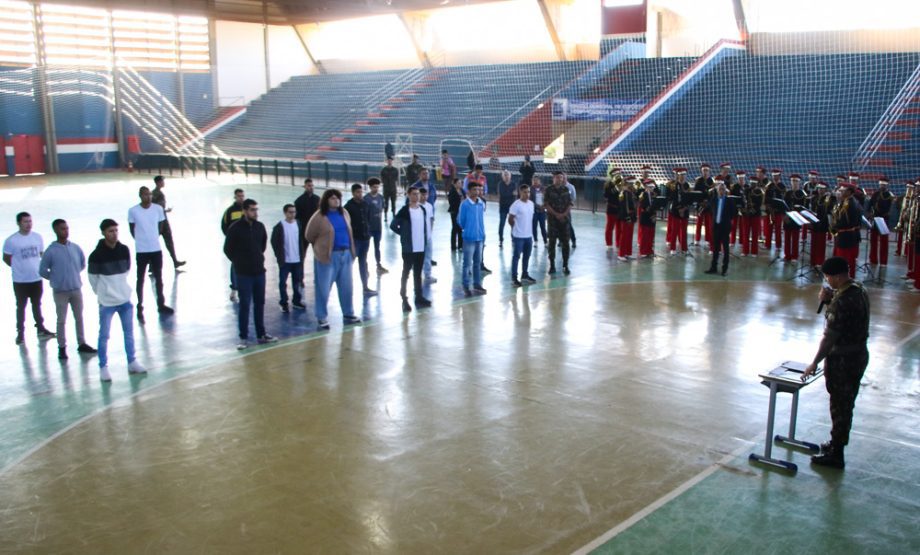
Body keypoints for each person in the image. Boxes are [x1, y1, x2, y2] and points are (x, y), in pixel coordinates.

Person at [802, 256, 870, 469]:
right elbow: (851, 317)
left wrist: (814, 362)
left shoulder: (841, 301)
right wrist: (831, 299)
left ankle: (837, 453)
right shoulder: (858, 289)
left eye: (829, 277)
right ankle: (835, 443)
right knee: (845, 403)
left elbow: (830, 336)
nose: (827, 281)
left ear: (838, 276)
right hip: (858, 354)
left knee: (840, 405)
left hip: (843, 359)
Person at [87, 219, 145, 382]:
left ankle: (132, 362)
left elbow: (126, 270)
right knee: (104, 335)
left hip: (124, 300)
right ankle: (103, 367)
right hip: (107, 303)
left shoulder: (124, 250)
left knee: (129, 333)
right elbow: (92, 279)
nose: (114, 234)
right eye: (110, 231)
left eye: (116, 231)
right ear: (103, 233)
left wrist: (121, 290)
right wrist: (103, 294)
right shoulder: (96, 255)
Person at [39, 219, 97, 360]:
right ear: (55, 231)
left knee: (79, 317)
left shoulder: (75, 248)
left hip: (76, 288)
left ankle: (82, 342)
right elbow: (42, 270)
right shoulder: (51, 251)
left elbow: (82, 264)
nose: (65, 231)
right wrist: (55, 280)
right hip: (60, 292)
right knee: (61, 320)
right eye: (62, 229)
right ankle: (62, 347)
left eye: (66, 228)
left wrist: (73, 275)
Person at [304, 189, 362, 330]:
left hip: (346, 255)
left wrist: (351, 252)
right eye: (333, 198)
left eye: (338, 198)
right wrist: (321, 248)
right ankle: (321, 316)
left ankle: (348, 313)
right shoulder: (319, 217)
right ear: (326, 200)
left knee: (347, 287)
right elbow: (309, 235)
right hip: (328, 257)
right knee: (323, 288)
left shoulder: (344, 213)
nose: (336, 201)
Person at [223, 199, 277, 349]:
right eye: (252, 210)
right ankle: (244, 337)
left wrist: (257, 258)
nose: (255, 213)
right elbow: (228, 249)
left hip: (259, 272)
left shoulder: (260, 227)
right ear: (245, 211)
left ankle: (261, 334)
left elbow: (263, 244)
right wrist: (239, 262)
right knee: (245, 305)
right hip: (244, 274)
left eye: (256, 209)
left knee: (260, 303)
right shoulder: (235, 228)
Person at [4, 212, 55, 345]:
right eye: (25, 222)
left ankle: (41, 328)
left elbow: (41, 255)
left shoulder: (37, 237)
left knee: (37, 304)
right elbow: (6, 258)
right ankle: (20, 333)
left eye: (30, 221)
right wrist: (18, 268)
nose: (28, 224)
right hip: (20, 280)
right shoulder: (11, 240)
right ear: (19, 223)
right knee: (21, 306)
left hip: (36, 278)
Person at [128, 186, 174, 323]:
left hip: (155, 249)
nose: (148, 197)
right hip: (141, 250)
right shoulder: (133, 211)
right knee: (140, 278)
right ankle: (140, 306)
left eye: (149, 194)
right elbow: (132, 229)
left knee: (159, 277)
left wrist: (154, 237)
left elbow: (160, 226)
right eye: (145, 195)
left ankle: (161, 304)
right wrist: (141, 240)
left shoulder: (158, 209)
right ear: (140, 196)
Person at [390, 187, 432, 311]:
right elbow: (393, 225)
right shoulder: (404, 211)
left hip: (420, 247)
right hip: (409, 248)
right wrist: (404, 234)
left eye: (417, 194)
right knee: (406, 272)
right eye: (414, 194)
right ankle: (404, 297)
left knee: (418, 273)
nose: (416, 196)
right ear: (408, 195)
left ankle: (419, 296)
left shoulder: (422, 209)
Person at [270, 204, 305, 313]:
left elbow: (301, 240)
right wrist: (279, 256)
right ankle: (284, 302)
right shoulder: (280, 226)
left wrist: (301, 255)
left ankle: (296, 301)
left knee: (297, 282)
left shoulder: (298, 224)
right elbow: (274, 242)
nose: (292, 214)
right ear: (285, 213)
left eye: (294, 212)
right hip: (285, 261)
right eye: (290, 212)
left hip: (297, 260)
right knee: (282, 283)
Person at [344, 184, 377, 296]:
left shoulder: (365, 204)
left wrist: (368, 233)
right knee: (350, 263)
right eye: (357, 192)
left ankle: (365, 286)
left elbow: (368, 219)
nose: (360, 194)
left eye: (361, 192)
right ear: (353, 193)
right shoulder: (348, 207)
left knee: (363, 262)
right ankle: (347, 287)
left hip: (365, 238)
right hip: (355, 240)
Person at [150, 175, 186, 270]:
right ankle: (173, 261)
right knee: (163, 242)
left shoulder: (154, 193)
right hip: (160, 222)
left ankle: (173, 261)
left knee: (161, 243)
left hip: (159, 221)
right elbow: (156, 207)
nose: (163, 183)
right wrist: (165, 211)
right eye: (162, 181)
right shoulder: (157, 194)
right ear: (158, 182)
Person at [457, 182, 487, 296]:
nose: (477, 192)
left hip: (480, 238)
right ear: (469, 191)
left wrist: (482, 233)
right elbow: (461, 221)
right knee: (467, 263)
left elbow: (481, 220)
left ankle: (477, 284)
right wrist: (468, 230)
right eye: (474, 189)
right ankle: (465, 285)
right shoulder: (464, 204)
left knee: (477, 263)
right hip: (469, 238)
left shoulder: (481, 204)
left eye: (478, 190)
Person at [705, 179, 737, 276]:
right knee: (715, 248)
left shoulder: (729, 201)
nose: (721, 191)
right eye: (720, 189)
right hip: (716, 227)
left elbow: (734, 213)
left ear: (725, 191)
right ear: (717, 190)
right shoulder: (713, 200)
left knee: (726, 249)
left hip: (725, 228)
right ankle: (713, 267)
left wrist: (726, 221)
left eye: (723, 189)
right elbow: (710, 210)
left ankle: (724, 269)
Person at [545, 171, 573, 275]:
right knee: (552, 244)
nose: (559, 179)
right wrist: (557, 214)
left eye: (561, 177)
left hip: (564, 222)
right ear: (553, 178)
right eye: (557, 177)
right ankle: (552, 265)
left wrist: (564, 214)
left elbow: (570, 204)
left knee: (566, 244)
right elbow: (546, 205)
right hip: (553, 222)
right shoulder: (548, 190)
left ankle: (565, 265)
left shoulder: (566, 189)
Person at [831, 184, 863, 278]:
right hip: (848, 235)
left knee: (844, 259)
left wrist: (834, 226)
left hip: (846, 235)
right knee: (848, 259)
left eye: (842, 191)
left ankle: (843, 280)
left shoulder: (849, 204)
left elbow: (845, 222)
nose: (840, 192)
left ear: (849, 192)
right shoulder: (848, 201)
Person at [221, 188, 246, 302]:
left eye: (242, 196)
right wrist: (231, 239)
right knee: (235, 266)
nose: (241, 198)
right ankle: (234, 288)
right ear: (235, 197)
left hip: (246, 244)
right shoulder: (230, 211)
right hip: (236, 245)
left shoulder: (246, 209)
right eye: (239, 196)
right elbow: (224, 226)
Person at [508, 184, 536, 286]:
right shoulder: (516, 204)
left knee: (527, 256)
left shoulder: (531, 204)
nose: (527, 194)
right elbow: (510, 219)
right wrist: (516, 229)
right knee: (516, 257)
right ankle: (514, 277)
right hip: (518, 236)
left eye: (528, 192)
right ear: (520, 193)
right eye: (525, 192)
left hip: (528, 236)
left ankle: (525, 274)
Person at [364, 178, 388, 275]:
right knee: (366, 247)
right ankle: (364, 267)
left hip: (378, 227)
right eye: (374, 187)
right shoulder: (366, 199)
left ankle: (379, 265)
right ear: (370, 187)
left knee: (377, 247)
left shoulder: (381, 198)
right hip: (369, 227)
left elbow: (382, 208)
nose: (376, 189)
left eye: (378, 187)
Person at [868, 177, 894, 266]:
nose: (882, 186)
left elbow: (890, 209)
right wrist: (869, 213)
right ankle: (873, 259)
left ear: (886, 185)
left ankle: (883, 262)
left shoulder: (889, 195)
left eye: (884, 184)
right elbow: (870, 204)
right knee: (873, 241)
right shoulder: (875, 194)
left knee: (884, 242)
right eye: (881, 184)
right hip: (875, 219)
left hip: (884, 220)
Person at [666, 168, 691, 255]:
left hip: (685, 210)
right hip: (676, 210)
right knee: (675, 230)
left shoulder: (687, 185)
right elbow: (673, 199)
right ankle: (673, 248)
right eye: (681, 175)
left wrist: (684, 209)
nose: (682, 177)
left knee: (684, 231)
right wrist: (679, 209)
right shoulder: (674, 185)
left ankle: (684, 248)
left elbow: (689, 199)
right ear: (678, 176)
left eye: (684, 175)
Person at [782, 175, 807, 262]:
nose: (794, 183)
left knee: (795, 238)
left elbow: (804, 207)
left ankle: (794, 256)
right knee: (787, 238)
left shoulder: (802, 194)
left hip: (797, 218)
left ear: (799, 182)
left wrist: (800, 217)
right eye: (793, 181)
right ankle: (787, 255)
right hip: (788, 217)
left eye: (796, 181)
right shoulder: (787, 193)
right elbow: (783, 206)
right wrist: (784, 216)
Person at [617, 177, 637, 261]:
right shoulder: (624, 193)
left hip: (631, 217)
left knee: (629, 236)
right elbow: (625, 207)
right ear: (627, 184)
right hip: (626, 217)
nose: (632, 185)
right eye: (631, 184)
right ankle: (621, 254)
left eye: (632, 184)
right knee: (624, 236)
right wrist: (628, 217)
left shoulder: (630, 193)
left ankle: (628, 253)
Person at [497, 170, 517, 248]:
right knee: (502, 224)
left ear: (510, 176)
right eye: (504, 175)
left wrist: (511, 194)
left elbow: (515, 194)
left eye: (507, 175)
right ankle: (501, 240)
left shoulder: (513, 184)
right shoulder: (500, 184)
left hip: (512, 207)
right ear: (502, 176)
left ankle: (513, 239)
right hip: (503, 206)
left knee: (513, 224)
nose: (506, 176)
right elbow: (503, 194)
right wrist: (511, 193)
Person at [637, 179, 657, 257]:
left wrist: (654, 214)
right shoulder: (643, 195)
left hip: (651, 217)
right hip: (645, 217)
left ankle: (649, 250)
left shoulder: (652, 195)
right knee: (644, 236)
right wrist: (649, 209)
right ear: (646, 187)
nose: (652, 188)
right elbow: (643, 206)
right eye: (650, 187)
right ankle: (643, 251)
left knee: (650, 236)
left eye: (652, 187)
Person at [603, 171, 621, 250]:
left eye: (619, 174)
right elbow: (606, 195)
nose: (618, 176)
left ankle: (619, 242)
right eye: (616, 175)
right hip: (611, 208)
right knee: (610, 227)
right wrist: (616, 188)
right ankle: (609, 243)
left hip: (620, 209)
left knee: (619, 227)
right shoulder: (608, 184)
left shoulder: (621, 183)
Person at [447, 177, 465, 251]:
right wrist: (459, 201)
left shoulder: (462, 190)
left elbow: (465, 198)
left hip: (461, 212)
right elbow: (451, 202)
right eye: (458, 183)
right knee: (455, 228)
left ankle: (460, 245)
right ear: (454, 184)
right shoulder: (452, 191)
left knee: (460, 228)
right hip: (454, 211)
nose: (460, 184)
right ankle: (453, 245)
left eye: (460, 183)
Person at [531, 176, 548, 246]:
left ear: (539, 181)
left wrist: (544, 206)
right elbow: (530, 200)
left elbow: (547, 198)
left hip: (542, 211)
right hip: (534, 211)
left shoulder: (544, 188)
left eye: (537, 180)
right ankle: (535, 241)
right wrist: (537, 206)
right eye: (534, 180)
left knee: (543, 227)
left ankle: (545, 241)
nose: (535, 182)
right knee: (534, 226)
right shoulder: (530, 189)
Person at [564, 175, 578, 249]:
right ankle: (560, 240)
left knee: (569, 226)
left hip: (567, 210)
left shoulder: (571, 187)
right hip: (559, 209)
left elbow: (573, 198)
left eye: (563, 177)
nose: (562, 179)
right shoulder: (558, 187)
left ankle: (573, 240)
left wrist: (569, 206)